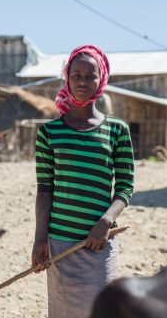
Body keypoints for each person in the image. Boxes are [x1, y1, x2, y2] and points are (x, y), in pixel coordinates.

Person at [32, 45, 134, 318]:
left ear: (102, 80)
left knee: (102, 311)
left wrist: (106, 221)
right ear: (67, 78)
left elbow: (125, 186)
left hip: (99, 243)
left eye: (91, 76)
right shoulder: (49, 132)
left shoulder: (117, 130)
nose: (82, 81)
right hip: (60, 243)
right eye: (76, 75)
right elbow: (45, 189)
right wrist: (40, 239)